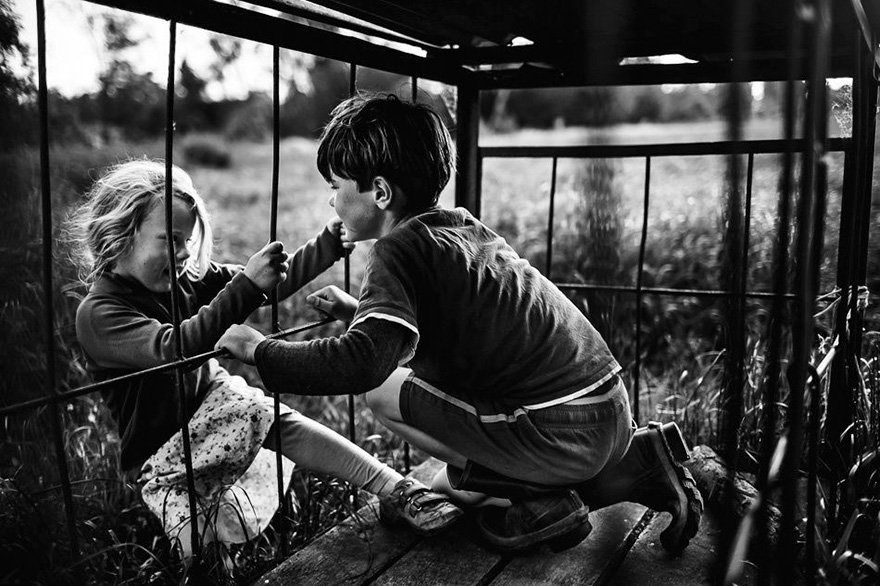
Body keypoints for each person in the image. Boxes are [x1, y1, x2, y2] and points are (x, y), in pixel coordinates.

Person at [216, 94, 703, 554]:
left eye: (335, 188)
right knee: (444, 487)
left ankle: (543, 500)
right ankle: (636, 462)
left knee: (381, 393)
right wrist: (357, 313)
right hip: (608, 412)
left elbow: (364, 363)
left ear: (380, 192)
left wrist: (259, 350)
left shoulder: (396, 249)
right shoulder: (459, 227)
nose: (331, 203)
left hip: (560, 430)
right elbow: (457, 323)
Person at [70, 158, 462, 563]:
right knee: (201, 554)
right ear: (118, 234)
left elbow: (266, 286)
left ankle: (395, 489)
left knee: (272, 416)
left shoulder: (182, 280)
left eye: (188, 239)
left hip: (213, 402)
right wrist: (244, 286)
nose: (185, 252)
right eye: (170, 239)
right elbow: (173, 350)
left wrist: (323, 248)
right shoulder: (99, 314)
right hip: (161, 455)